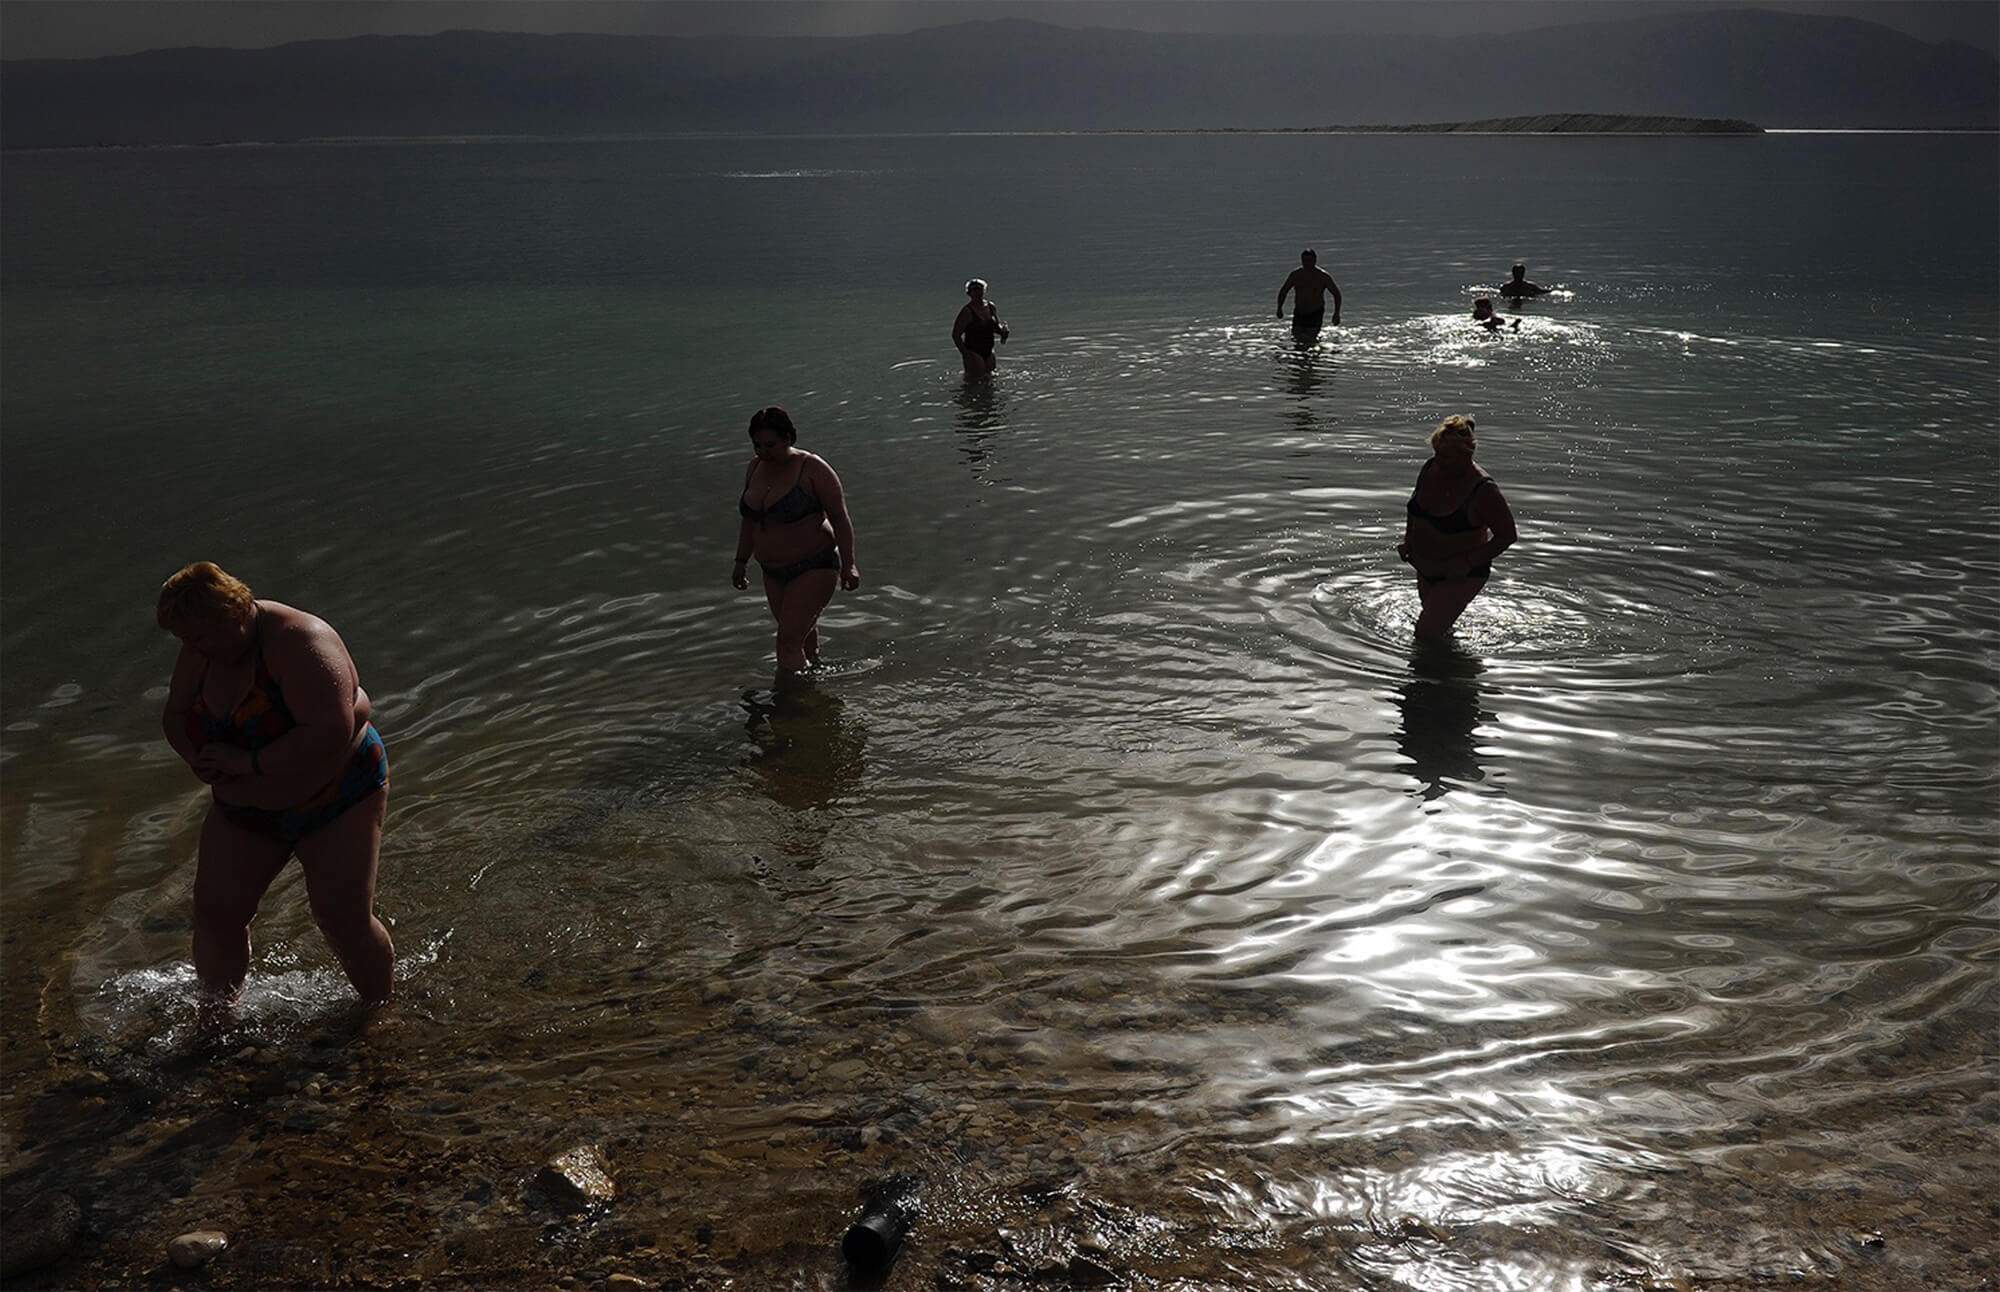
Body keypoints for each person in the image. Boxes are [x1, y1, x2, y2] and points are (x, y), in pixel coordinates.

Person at [157, 562, 394, 1005]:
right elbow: (175, 715)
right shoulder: (201, 648)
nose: (190, 649)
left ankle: (380, 1011)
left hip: (337, 794)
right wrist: (195, 756)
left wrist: (248, 762)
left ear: (237, 615)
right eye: (183, 639)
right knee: (216, 914)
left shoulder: (300, 641)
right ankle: (215, 1020)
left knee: (341, 917)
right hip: (247, 809)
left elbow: (328, 732)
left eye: (198, 637)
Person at [731, 406, 861, 673]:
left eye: (770, 445)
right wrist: (740, 561)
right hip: (773, 571)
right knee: (800, 637)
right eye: (757, 445)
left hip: (814, 565)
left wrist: (850, 565)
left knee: (786, 643)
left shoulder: (812, 469)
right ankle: (812, 688)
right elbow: (750, 521)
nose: (763, 452)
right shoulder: (755, 467)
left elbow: (840, 518)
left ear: (789, 438)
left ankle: (791, 705)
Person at [1396, 416, 1518, 641]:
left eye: (1445, 457)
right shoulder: (1431, 468)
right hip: (1425, 567)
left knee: (1425, 634)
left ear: (1466, 455)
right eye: (1436, 453)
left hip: (1460, 575)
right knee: (1439, 634)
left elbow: (1508, 535)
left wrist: (1467, 562)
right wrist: (1408, 539)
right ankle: (1455, 672)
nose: (1438, 461)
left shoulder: (1484, 490)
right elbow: (1413, 508)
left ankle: (1433, 675)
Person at [1277, 249, 1342, 340]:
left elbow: (1336, 294)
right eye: (1305, 261)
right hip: (1299, 312)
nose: (1307, 263)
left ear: (1315, 260)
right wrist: (1279, 308)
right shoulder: (1296, 275)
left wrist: (1336, 313)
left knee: (1310, 340)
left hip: (1315, 312)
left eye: (1310, 261)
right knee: (1297, 339)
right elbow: (1284, 291)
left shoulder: (1322, 276)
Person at [952, 278, 1009, 376]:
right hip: (973, 351)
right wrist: (966, 354)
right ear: (969, 293)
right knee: (975, 382)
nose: (977, 292)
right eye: (973, 290)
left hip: (989, 349)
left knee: (991, 380)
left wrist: (1002, 331)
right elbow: (956, 335)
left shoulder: (990, 307)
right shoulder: (967, 311)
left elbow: (994, 326)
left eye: (979, 289)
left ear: (984, 290)